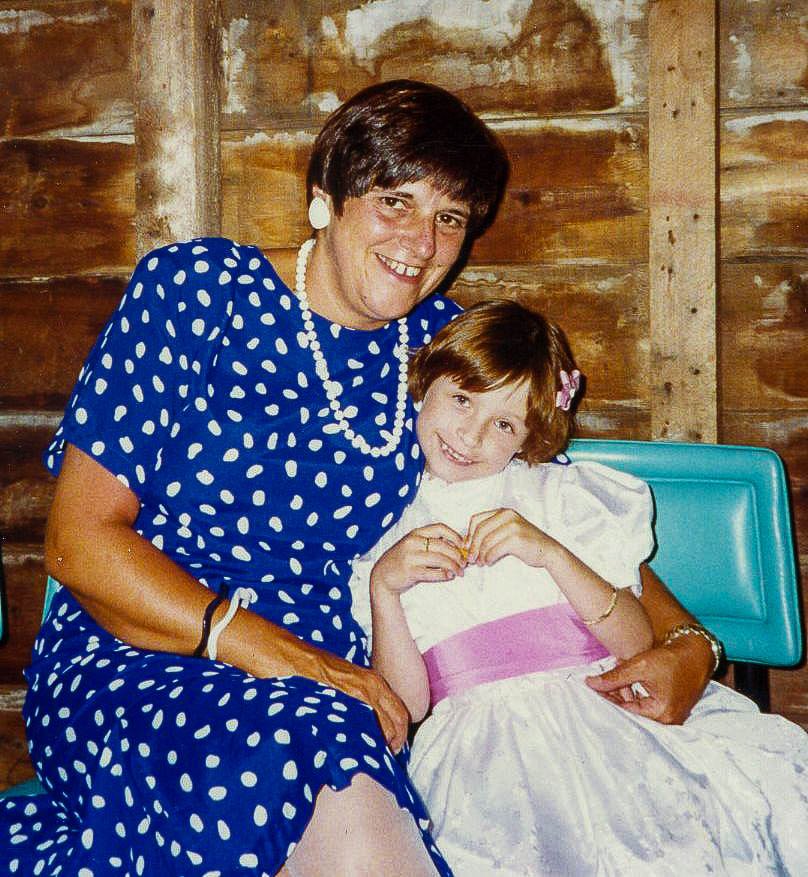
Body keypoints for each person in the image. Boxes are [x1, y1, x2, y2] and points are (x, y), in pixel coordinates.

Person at [1, 80, 711, 875]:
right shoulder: (197, 291)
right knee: (314, 738)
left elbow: (552, 504)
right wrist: (283, 657)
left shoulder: (444, 350)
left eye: (450, 218)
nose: (422, 240)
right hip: (140, 654)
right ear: (323, 201)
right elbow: (77, 542)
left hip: (355, 683)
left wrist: (691, 645)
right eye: (394, 201)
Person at [349, 300, 808, 876]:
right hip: (480, 756)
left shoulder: (563, 498)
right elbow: (409, 705)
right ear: (422, 388)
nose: (470, 435)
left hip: (607, 713)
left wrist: (553, 555)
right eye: (462, 400)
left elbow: (637, 643)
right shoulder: (386, 540)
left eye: (504, 424)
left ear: (528, 438)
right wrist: (385, 592)